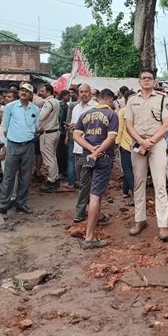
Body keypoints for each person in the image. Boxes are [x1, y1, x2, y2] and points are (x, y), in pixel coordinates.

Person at [125, 69, 168, 241]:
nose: (146, 80)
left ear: (154, 81)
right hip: (138, 143)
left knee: (160, 184)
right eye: (143, 78)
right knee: (139, 183)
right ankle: (140, 220)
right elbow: (129, 125)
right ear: (139, 81)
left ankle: (163, 225)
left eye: (149, 78)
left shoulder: (162, 98)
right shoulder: (132, 100)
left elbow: (167, 124)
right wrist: (141, 141)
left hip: (157, 143)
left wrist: (150, 141)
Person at [73, 88, 119, 249]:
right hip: (102, 158)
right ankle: (89, 237)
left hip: (85, 157)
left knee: (87, 188)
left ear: (98, 99)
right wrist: (98, 151)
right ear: (110, 100)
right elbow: (111, 137)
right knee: (95, 196)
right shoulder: (112, 115)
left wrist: (90, 149)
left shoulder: (85, 114)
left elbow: (76, 135)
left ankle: (96, 218)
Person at [0, 83, 40, 216]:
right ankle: (4, 204)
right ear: (19, 92)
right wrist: (5, 146)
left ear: (31, 95)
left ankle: (21, 203)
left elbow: (36, 127)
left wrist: (31, 135)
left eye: (27, 91)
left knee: (25, 177)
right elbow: (5, 127)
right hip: (13, 145)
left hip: (28, 146)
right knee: (8, 176)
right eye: (22, 90)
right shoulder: (10, 107)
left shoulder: (35, 110)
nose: (24, 92)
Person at [70, 84, 97, 222]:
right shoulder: (75, 108)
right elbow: (75, 128)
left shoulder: (95, 107)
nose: (83, 94)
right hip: (77, 149)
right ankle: (96, 211)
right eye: (81, 92)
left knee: (85, 183)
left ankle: (79, 212)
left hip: (89, 150)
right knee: (81, 181)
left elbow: (97, 130)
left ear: (91, 93)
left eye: (86, 91)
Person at [37, 84, 61, 192]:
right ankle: (55, 178)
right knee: (52, 157)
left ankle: (51, 181)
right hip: (54, 132)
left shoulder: (48, 103)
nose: (40, 93)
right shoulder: (55, 101)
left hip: (48, 133)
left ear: (48, 92)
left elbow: (41, 117)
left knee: (48, 158)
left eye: (42, 91)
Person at [116, 90, 135, 201]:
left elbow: (120, 128)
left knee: (127, 169)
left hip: (125, 144)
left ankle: (134, 190)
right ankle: (125, 191)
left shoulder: (123, 111)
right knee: (132, 169)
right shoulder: (138, 110)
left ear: (125, 99)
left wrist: (117, 142)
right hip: (136, 144)